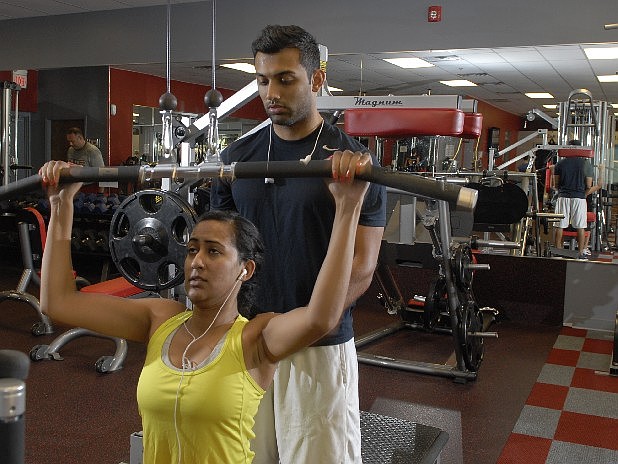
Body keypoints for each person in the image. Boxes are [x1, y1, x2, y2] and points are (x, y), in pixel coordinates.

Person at [38, 151, 371, 464]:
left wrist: (347, 207)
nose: (196, 262)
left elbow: (321, 317)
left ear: (246, 268)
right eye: (192, 250)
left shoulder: (256, 338)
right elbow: (59, 302)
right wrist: (61, 204)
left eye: (213, 252)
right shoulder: (159, 320)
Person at [210, 25, 386, 463]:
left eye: (286, 79)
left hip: (318, 347)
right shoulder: (237, 160)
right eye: (263, 80)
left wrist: (302, 328)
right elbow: (221, 255)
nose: (271, 92)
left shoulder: (355, 162)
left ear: (317, 80)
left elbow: (363, 267)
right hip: (247, 340)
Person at [552, 140, 594, 258]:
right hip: (579, 198)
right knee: (580, 226)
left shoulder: (560, 163)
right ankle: (580, 252)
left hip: (563, 196)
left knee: (559, 225)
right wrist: (583, 193)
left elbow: (556, 184)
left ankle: (558, 251)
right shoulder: (586, 163)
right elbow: (589, 185)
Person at [66, 127, 106, 193]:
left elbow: (102, 173)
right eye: (69, 141)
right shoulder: (70, 150)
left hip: (90, 188)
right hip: (74, 187)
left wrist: (100, 194)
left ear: (80, 138)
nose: (70, 144)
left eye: (73, 141)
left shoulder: (93, 151)